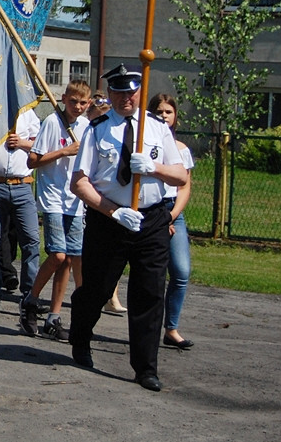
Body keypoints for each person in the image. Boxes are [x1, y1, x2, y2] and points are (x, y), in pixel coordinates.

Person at [68, 64, 187, 392]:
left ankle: (146, 367)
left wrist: (155, 167)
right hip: (110, 222)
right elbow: (79, 183)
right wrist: (114, 212)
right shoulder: (98, 128)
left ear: (140, 92)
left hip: (152, 219)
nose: (126, 98)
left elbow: (180, 176)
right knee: (98, 288)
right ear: (110, 93)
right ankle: (80, 336)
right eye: (119, 92)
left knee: (149, 293)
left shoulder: (158, 129)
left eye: (132, 92)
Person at [20, 79, 92, 341]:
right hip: (53, 199)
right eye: (73, 101)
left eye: (83, 103)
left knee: (70, 259)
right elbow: (34, 160)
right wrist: (64, 151)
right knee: (58, 256)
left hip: (75, 201)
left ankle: (54, 315)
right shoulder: (53, 122)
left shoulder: (86, 126)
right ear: (64, 99)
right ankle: (31, 299)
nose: (78, 107)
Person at [0, 106, 41, 323]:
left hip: (22, 185)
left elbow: (42, 146)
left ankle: (29, 295)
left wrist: (22, 143)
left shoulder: (29, 115)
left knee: (31, 242)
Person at [148, 93, 195, 350]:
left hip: (172, 211)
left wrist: (172, 216)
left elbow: (185, 188)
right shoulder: (146, 145)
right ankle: (147, 327)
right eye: (159, 111)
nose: (164, 116)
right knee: (151, 274)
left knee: (181, 271)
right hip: (151, 210)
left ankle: (171, 328)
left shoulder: (181, 150)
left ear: (175, 116)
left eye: (168, 111)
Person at [89, 90, 127, 314]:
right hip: (88, 201)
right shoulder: (90, 132)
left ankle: (111, 296)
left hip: (108, 202)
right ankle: (95, 295)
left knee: (115, 255)